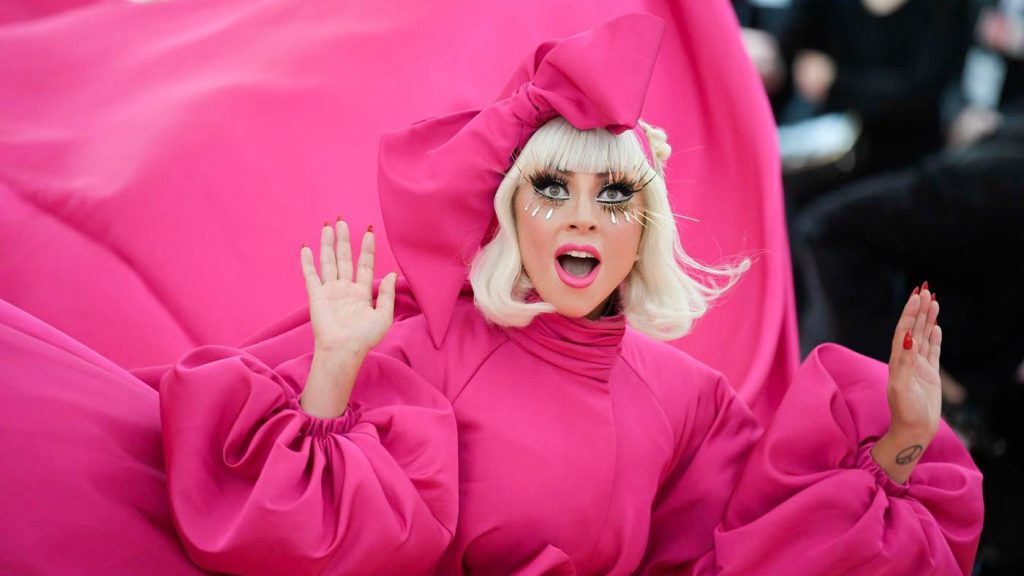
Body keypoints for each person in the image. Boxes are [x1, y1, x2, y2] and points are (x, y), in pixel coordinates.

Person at [0, 14, 982, 576]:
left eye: (612, 196)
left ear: (643, 226)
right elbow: (300, 535)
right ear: (512, 215)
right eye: (552, 190)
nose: (581, 219)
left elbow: (758, 551)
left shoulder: (689, 400)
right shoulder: (428, 345)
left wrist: (902, 439)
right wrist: (334, 369)